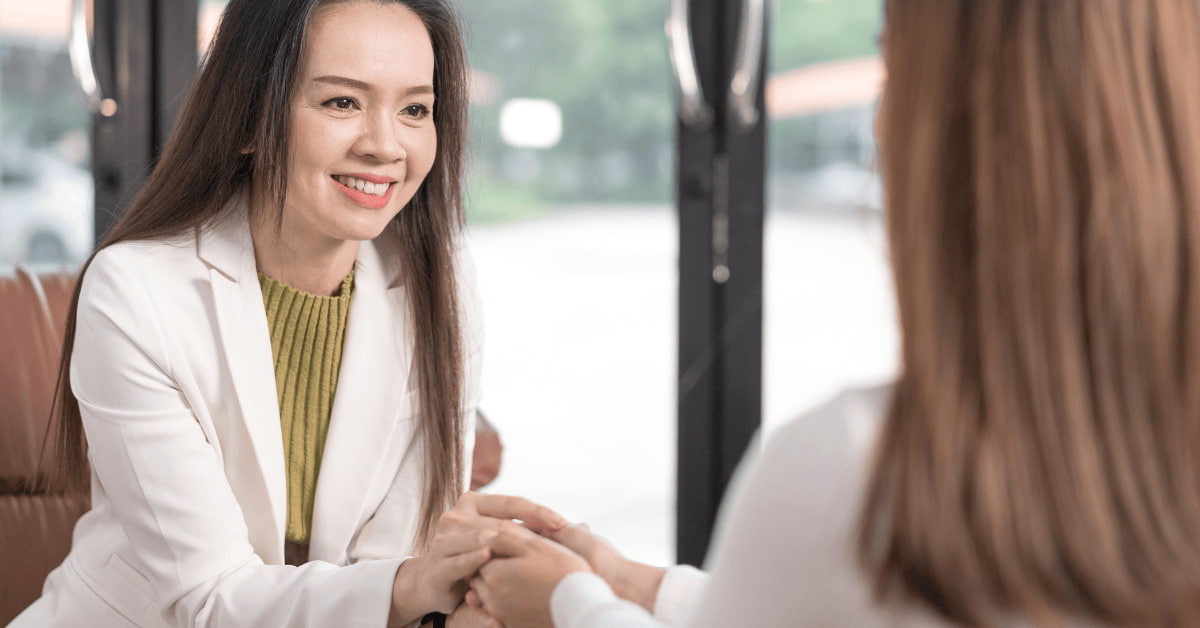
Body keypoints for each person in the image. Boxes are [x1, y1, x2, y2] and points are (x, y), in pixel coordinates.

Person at [468, 1, 1200, 626]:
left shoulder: (865, 474)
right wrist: (632, 583)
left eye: (892, 70)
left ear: (957, 134)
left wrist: (573, 603)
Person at [10, 1, 564, 627]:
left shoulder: (440, 288)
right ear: (247, 120)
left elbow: (402, 563)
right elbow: (212, 600)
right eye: (341, 103)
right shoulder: (134, 291)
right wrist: (413, 587)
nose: (385, 146)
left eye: (415, 109)